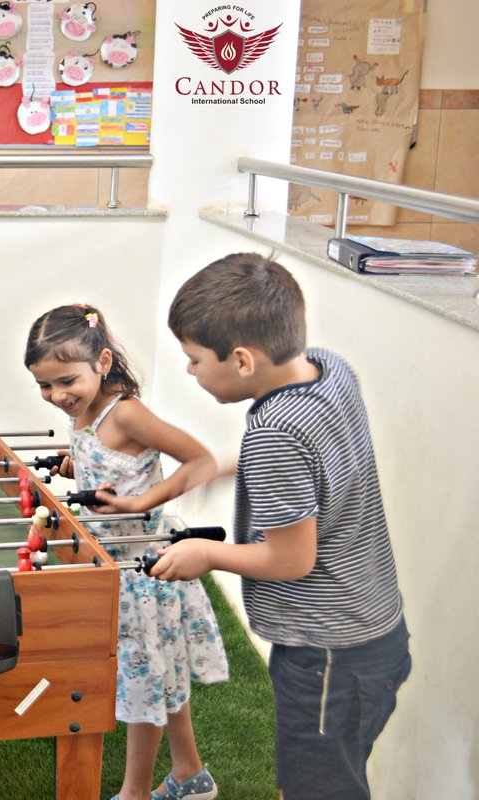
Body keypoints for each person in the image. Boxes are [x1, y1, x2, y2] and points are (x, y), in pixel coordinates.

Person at [157, 253, 411, 800]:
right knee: (330, 773)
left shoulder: (274, 434)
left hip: (328, 657)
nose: (189, 371)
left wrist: (207, 555)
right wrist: (218, 467)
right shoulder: (328, 367)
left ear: (243, 361)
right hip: (374, 635)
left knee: (319, 787)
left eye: (195, 360)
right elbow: (315, 460)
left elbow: (292, 560)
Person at [24, 304, 228, 800]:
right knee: (161, 675)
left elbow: (199, 461)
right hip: (111, 563)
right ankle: (190, 774)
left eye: (65, 381)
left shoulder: (126, 411)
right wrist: (80, 467)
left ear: (103, 361)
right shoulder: (86, 412)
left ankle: (134, 793)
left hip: (146, 572)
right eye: (45, 386)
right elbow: (111, 461)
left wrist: (139, 501)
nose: (57, 396)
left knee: (143, 682)